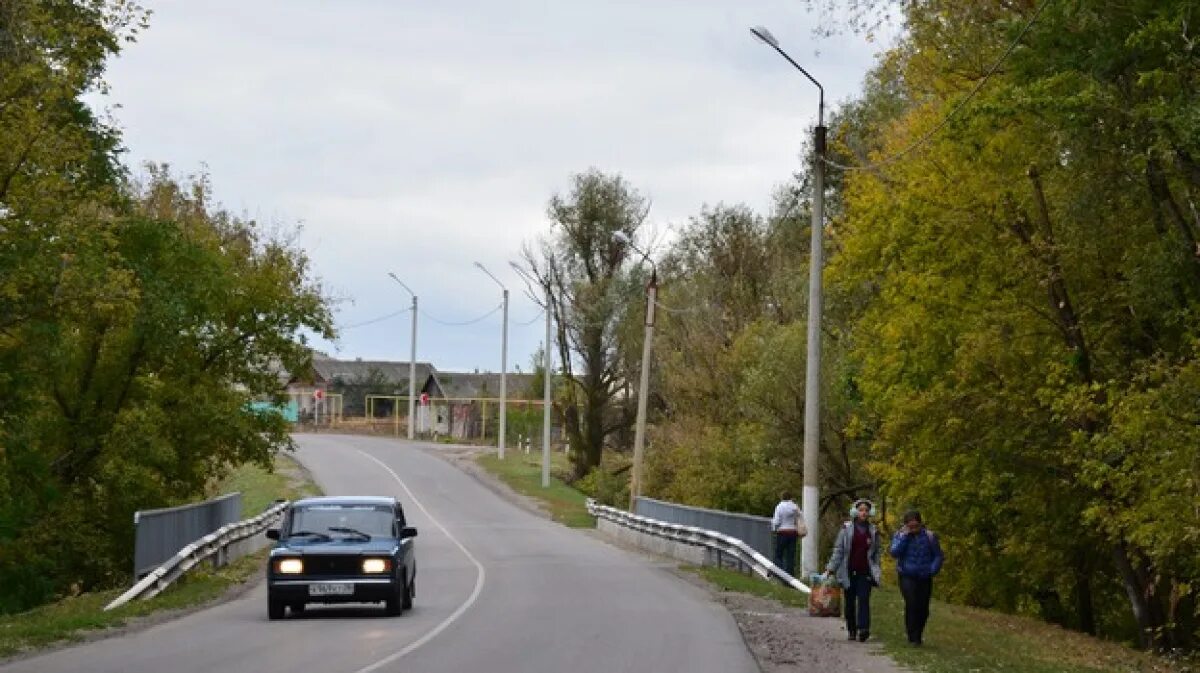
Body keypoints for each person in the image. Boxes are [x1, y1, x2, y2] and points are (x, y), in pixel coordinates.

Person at [824, 498, 882, 642]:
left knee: (864, 600)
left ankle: (864, 629)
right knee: (849, 602)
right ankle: (851, 629)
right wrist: (831, 568)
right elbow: (839, 550)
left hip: (865, 572)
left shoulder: (873, 531)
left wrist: (876, 570)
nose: (864, 513)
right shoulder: (846, 528)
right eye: (861, 510)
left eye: (866, 510)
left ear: (870, 513)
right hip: (848, 571)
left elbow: (876, 552)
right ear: (855, 512)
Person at [889, 510, 944, 646]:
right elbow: (894, 552)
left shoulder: (930, 537)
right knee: (912, 603)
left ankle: (918, 633)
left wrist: (933, 569)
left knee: (923, 608)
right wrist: (905, 537)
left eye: (916, 526)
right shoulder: (900, 535)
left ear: (920, 523)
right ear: (906, 525)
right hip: (907, 575)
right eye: (910, 526)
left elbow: (938, 555)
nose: (914, 529)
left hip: (925, 576)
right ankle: (912, 636)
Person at [770, 491, 805, 576]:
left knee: (779, 554)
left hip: (782, 533)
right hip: (793, 533)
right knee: (790, 556)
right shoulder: (794, 506)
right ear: (790, 497)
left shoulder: (779, 506)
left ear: (782, 497)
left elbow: (777, 521)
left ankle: (780, 573)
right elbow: (801, 516)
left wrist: (773, 528)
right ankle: (790, 576)